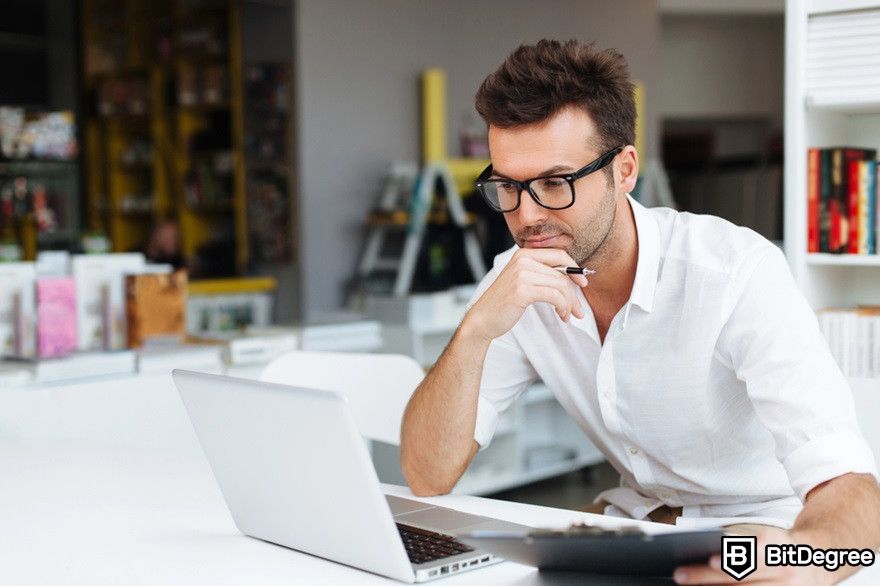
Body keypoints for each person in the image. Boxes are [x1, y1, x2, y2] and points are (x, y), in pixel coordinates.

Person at [400, 40, 880, 585]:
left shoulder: (736, 274)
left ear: (624, 170)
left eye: (555, 183)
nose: (527, 216)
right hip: (634, 532)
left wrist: (807, 564)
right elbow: (426, 475)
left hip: (765, 538)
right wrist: (474, 332)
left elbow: (853, 494)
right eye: (508, 186)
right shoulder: (516, 282)